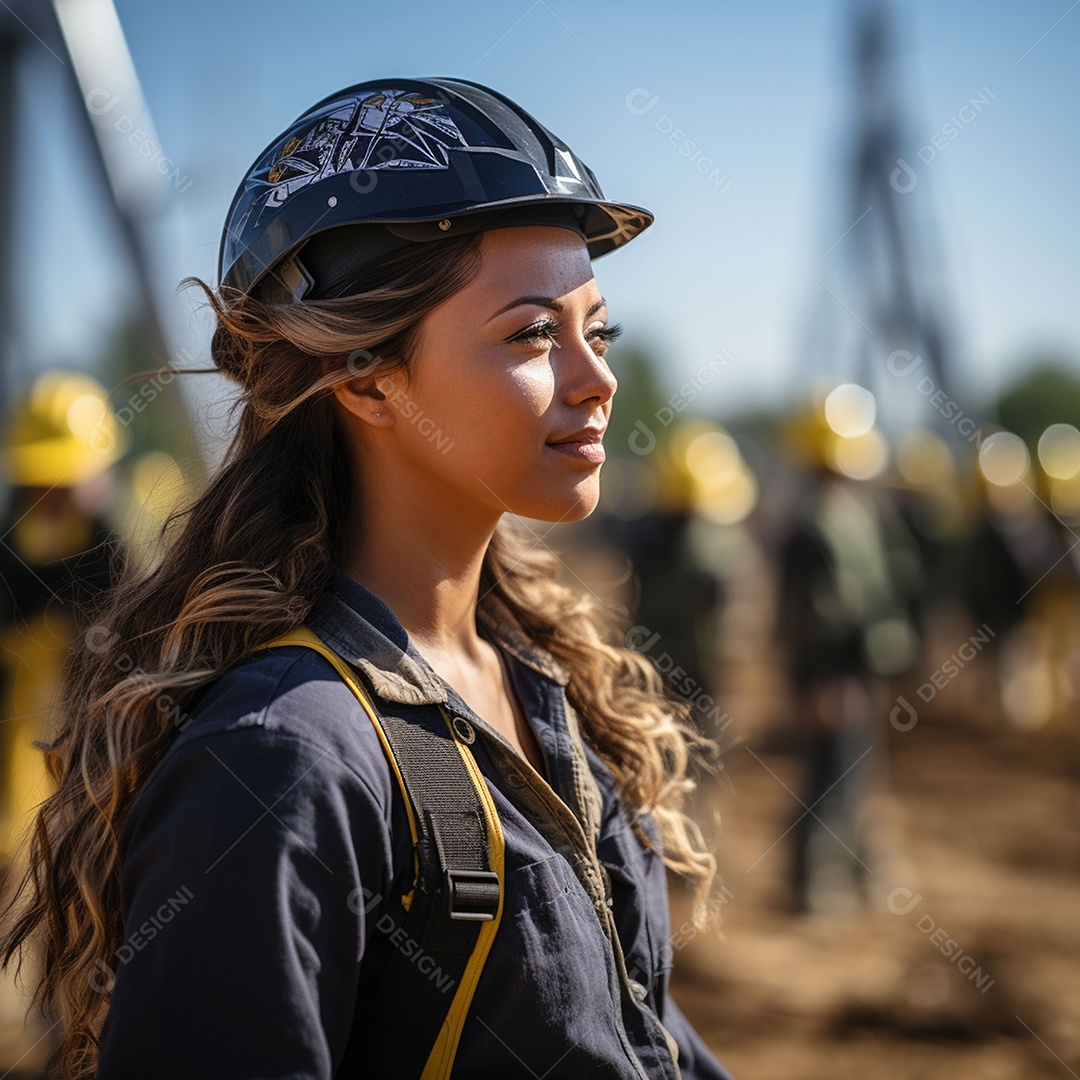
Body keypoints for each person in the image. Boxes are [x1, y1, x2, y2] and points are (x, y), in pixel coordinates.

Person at [0, 77, 734, 1079]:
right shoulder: (282, 761)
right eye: (531, 333)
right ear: (366, 376)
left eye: (597, 330)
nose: (597, 377)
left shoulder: (536, 682)